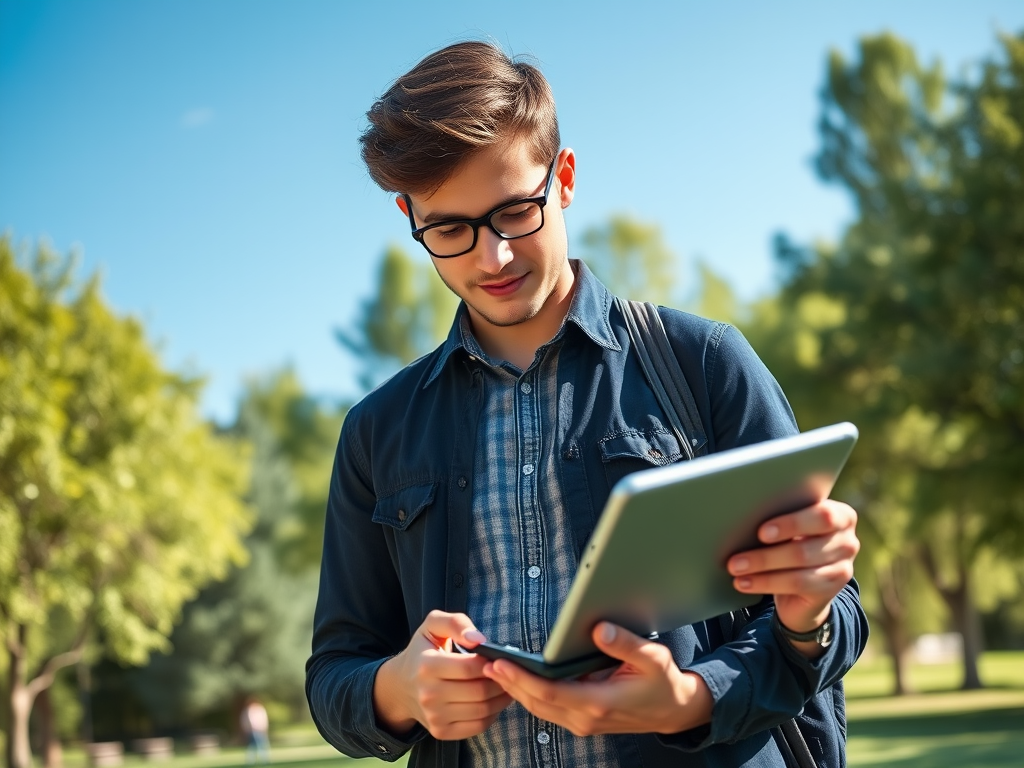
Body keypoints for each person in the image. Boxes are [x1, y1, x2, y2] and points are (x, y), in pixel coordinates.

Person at [306, 40, 868, 768]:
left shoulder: (703, 364)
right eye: (450, 230)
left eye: (514, 212)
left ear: (562, 179)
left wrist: (694, 696)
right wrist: (399, 689)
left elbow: (834, 617)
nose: (493, 258)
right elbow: (334, 677)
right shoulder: (375, 433)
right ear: (408, 216)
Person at [240, 697, 270, 764]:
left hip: (260, 730)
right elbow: (247, 721)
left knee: (260, 745)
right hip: (253, 730)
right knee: (255, 745)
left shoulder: (259, 709)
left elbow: (264, 719)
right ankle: (253, 761)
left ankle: (263, 760)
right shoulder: (249, 710)